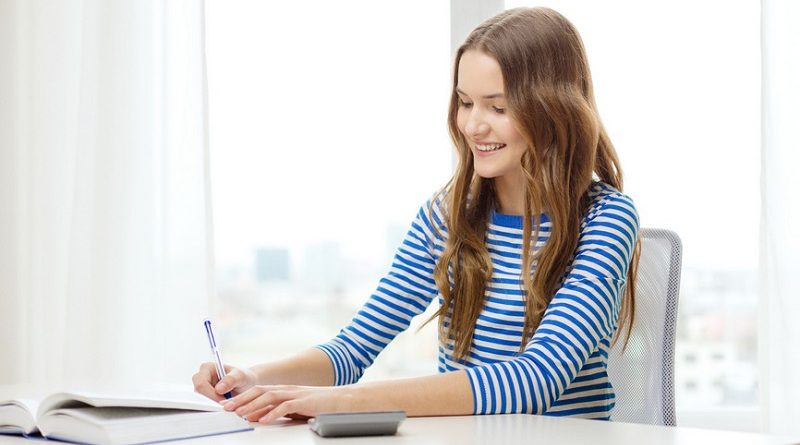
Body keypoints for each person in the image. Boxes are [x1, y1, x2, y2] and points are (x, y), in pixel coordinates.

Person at [193, 6, 640, 424]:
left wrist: (342, 403)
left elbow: (534, 380)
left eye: (498, 107)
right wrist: (255, 379)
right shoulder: (445, 217)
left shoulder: (605, 220)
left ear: (553, 110)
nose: (473, 125)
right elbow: (352, 349)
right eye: (466, 102)